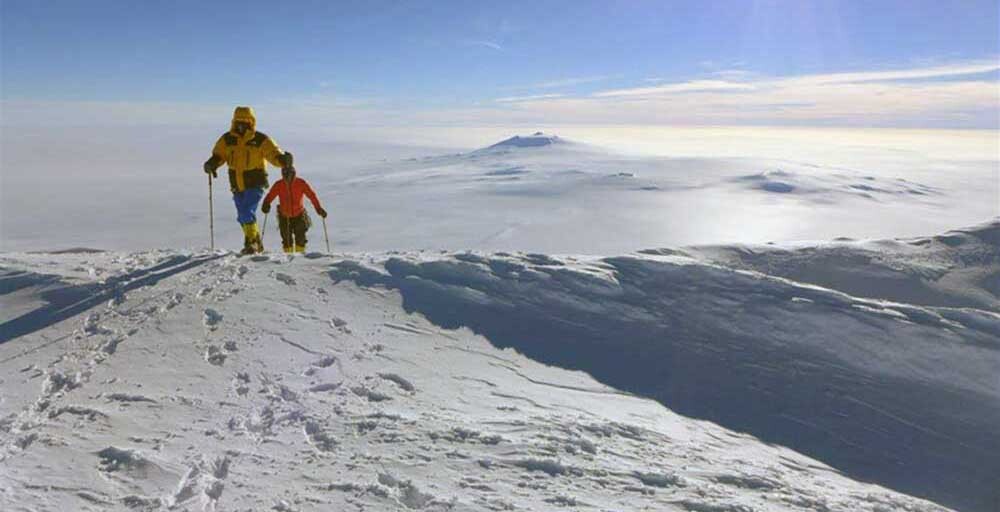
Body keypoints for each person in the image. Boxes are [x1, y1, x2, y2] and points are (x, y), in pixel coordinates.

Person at [203, 106, 292, 254]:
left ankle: (252, 242)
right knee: (242, 216)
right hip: (237, 184)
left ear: (251, 122)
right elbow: (219, 155)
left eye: (245, 122)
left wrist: (283, 160)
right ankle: (254, 239)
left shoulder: (260, 139)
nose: (241, 125)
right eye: (239, 121)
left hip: (255, 182)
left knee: (246, 212)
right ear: (234, 121)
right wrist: (211, 164)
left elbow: (273, 154)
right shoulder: (227, 139)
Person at [261, 166, 327, 253]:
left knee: (300, 238)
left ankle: (299, 258)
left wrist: (318, 208)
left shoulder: (301, 183)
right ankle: (289, 258)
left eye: (290, 174)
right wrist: (266, 204)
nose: (288, 176)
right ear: (282, 174)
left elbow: (312, 196)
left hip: (299, 215)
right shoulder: (279, 184)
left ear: (293, 173)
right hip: (284, 216)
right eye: (285, 174)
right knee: (286, 239)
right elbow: (270, 195)